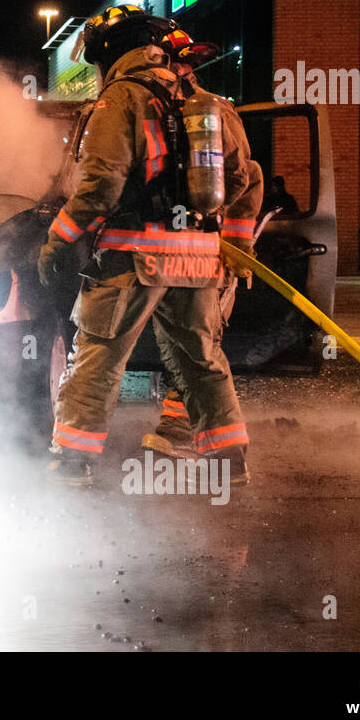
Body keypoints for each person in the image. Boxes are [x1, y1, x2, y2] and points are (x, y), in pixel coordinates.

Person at [37, 5, 250, 487]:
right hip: (198, 261)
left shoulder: (121, 98)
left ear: (110, 52)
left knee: (97, 354)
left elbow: (99, 187)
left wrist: (57, 242)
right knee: (202, 360)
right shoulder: (211, 103)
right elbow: (242, 176)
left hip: (133, 257)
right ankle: (230, 462)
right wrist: (209, 230)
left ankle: (73, 461)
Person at [142, 27, 263, 461]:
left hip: (198, 255)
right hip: (169, 253)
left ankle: (184, 432)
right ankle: (183, 431)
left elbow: (247, 179)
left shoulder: (209, 113)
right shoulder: (156, 107)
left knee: (197, 345)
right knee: (190, 344)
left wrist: (234, 250)